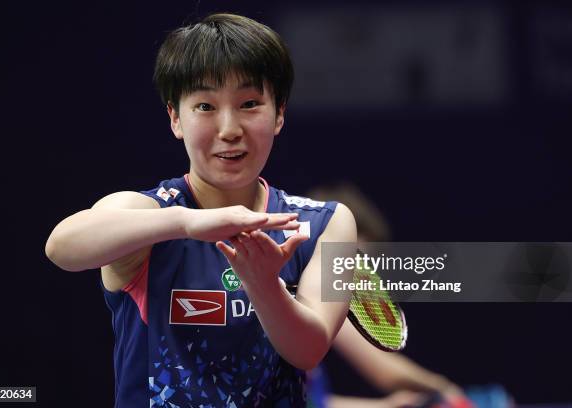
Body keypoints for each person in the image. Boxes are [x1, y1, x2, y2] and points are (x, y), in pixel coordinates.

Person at [45, 13, 356, 407]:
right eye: (206, 106)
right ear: (176, 118)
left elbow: (308, 350)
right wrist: (187, 223)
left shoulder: (324, 223)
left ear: (279, 114)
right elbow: (61, 248)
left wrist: (263, 283)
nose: (229, 128)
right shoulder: (146, 213)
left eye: (249, 104)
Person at [305, 183, 467, 408]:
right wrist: (444, 387)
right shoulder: (314, 293)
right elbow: (385, 370)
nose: (363, 278)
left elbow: (314, 403)